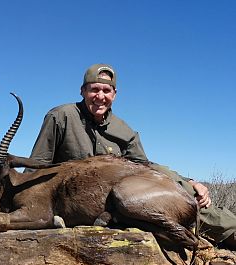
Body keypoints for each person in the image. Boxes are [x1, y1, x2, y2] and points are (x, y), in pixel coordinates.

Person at [26, 63, 236, 250]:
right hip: (77, 204)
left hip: (125, 200)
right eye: (94, 89)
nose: (100, 96)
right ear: (82, 91)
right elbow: (37, 165)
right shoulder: (62, 116)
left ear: (115, 94)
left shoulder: (124, 130)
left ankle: (230, 232)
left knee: (194, 205)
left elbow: (147, 169)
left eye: (106, 90)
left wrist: (189, 183)